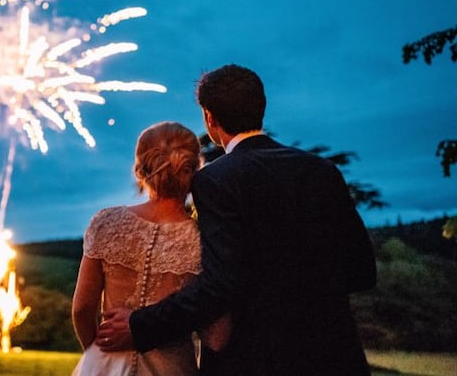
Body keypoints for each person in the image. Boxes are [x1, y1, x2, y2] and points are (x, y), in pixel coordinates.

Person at [96, 64, 377, 375]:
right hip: (336, 356)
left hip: (254, 360)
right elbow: (361, 270)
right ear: (261, 107)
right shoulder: (321, 170)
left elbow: (219, 284)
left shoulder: (217, 179)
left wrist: (139, 324)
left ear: (209, 118)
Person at [72, 121, 229, 376]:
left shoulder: (107, 223)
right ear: (193, 170)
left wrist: (97, 353)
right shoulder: (203, 239)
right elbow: (217, 338)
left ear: (141, 169)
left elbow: (82, 308)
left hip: (105, 365)